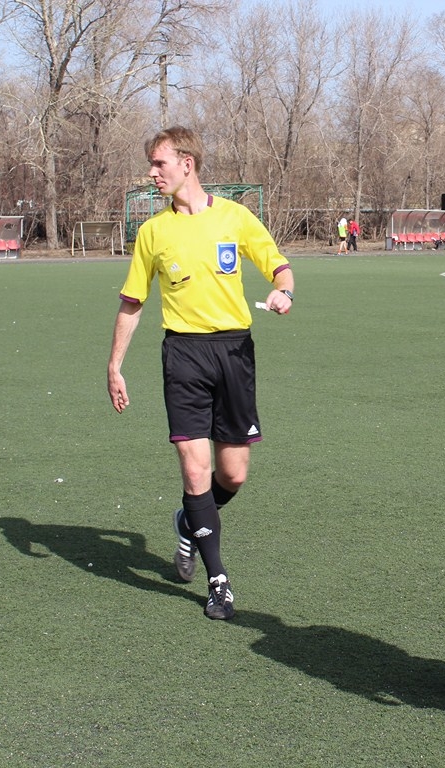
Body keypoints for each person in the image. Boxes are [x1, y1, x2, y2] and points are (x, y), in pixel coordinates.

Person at [107, 127, 294, 621]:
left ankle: (188, 521)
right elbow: (132, 303)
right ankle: (218, 583)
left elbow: (279, 267)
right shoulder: (153, 232)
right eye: (152, 164)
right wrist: (114, 366)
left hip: (234, 352)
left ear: (187, 163)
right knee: (194, 470)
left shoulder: (235, 217)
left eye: (159, 163)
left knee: (232, 474)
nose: (152, 173)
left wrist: (284, 291)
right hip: (183, 355)